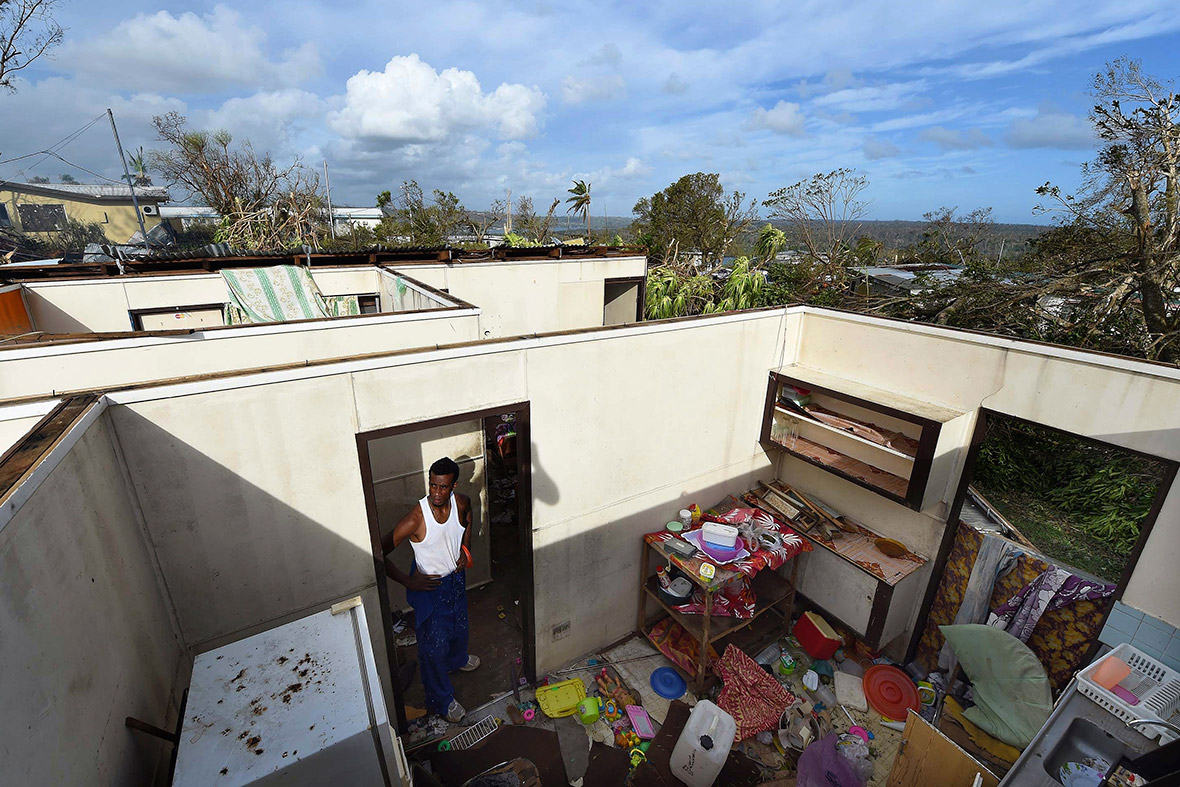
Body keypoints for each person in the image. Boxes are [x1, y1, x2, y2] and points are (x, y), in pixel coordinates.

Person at [382, 456, 480, 723]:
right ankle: (442, 699)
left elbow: (468, 517)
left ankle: (458, 659)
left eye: (443, 487)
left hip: (456, 581)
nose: (437, 492)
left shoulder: (461, 503)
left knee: (460, 628)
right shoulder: (416, 517)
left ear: (454, 485)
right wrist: (407, 580)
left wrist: (465, 547)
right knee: (432, 649)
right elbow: (378, 553)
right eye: (433, 485)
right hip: (431, 588)